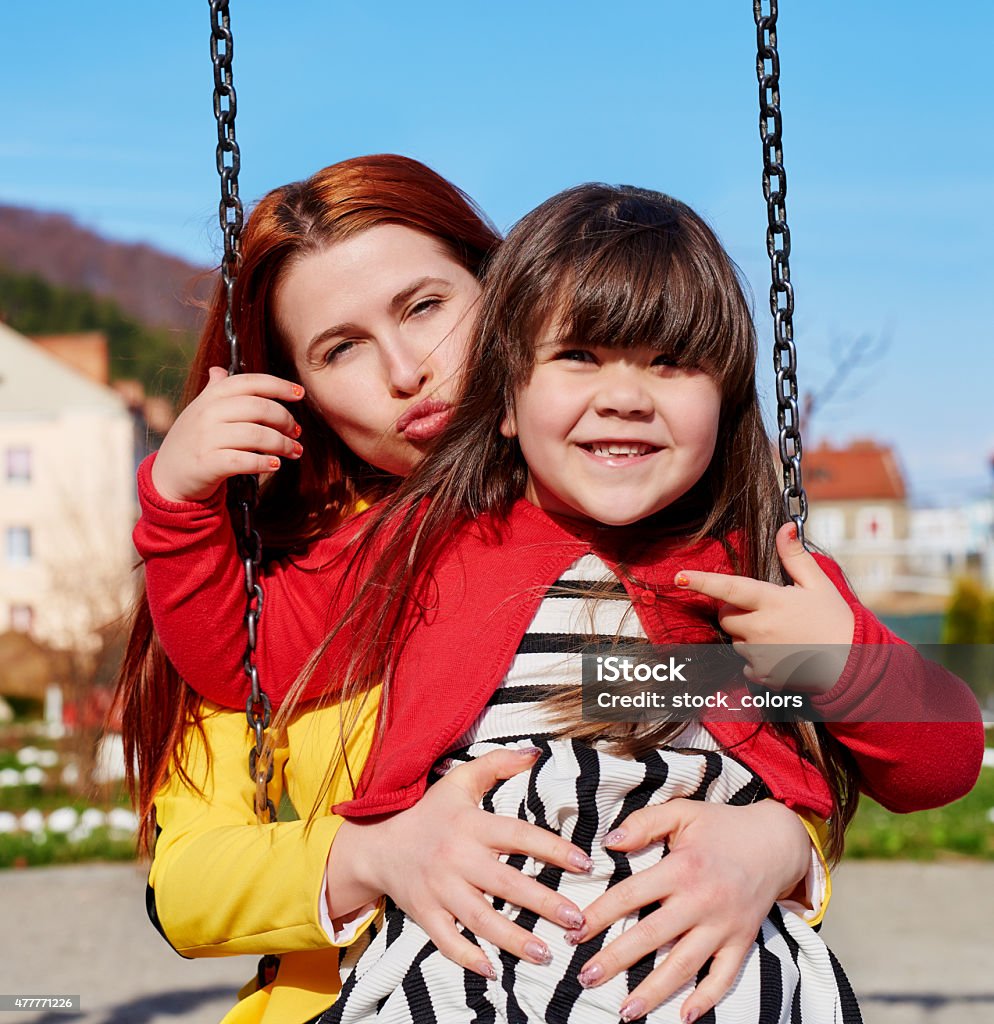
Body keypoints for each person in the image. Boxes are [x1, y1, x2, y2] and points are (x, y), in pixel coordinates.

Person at [137, 181, 984, 1022]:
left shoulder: (751, 571)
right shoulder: (411, 544)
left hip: (697, 976)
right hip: (465, 971)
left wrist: (791, 810)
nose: (407, 372)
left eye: (426, 306)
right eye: (341, 349)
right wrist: (179, 502)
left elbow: (928, 758)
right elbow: (235, 663)